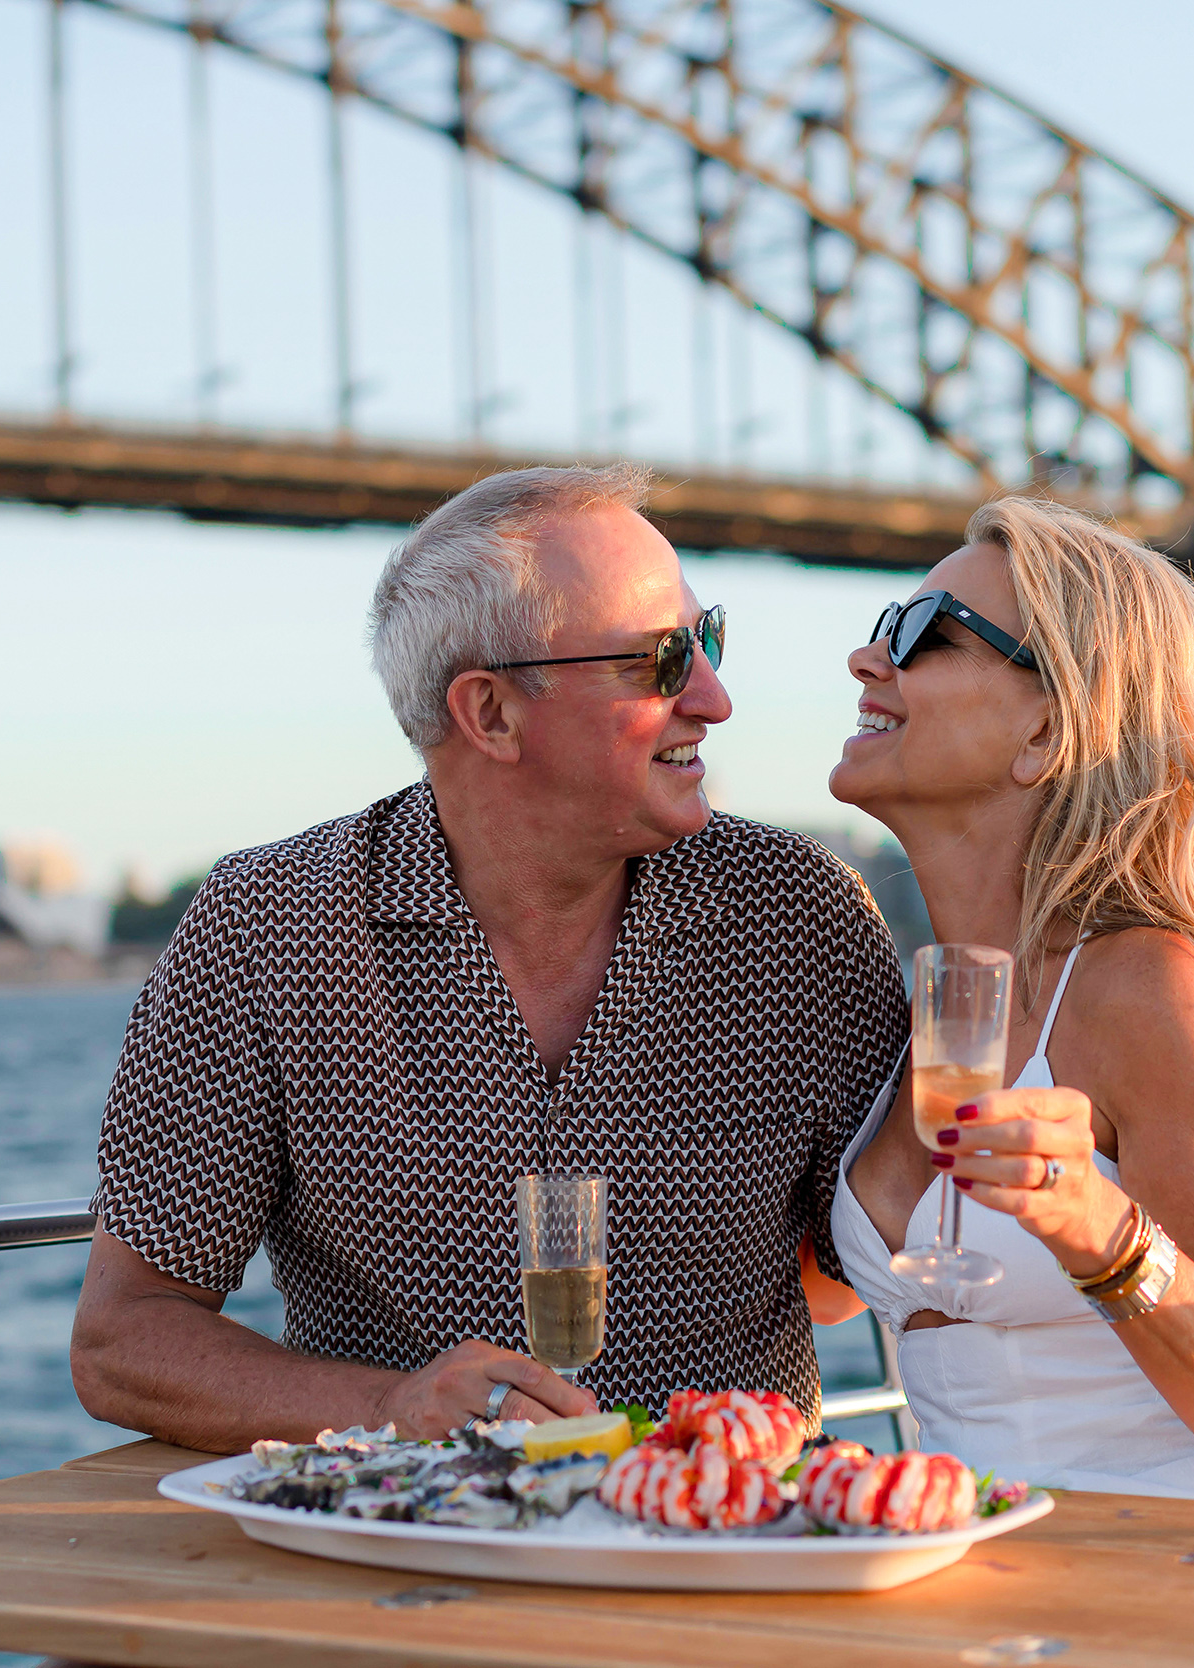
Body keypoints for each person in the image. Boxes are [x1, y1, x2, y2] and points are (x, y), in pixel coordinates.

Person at [73, 463, 908, 1454]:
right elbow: (124, 1338)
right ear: (492, 716)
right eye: (660, 660)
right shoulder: (268, 923)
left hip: (721, 1549)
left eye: (709, 639)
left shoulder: (798, 915)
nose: (715, 698)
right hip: (398, 1559)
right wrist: (389, 1410)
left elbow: (848, 1279)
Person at [826, 496, 1194, 1668]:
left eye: (923, 633)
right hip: (1013, 1612)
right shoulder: (932, 1008)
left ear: (1048, 730)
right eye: (879, 625)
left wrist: (1097, 1228)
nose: (867, 655)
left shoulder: (1148, 988)